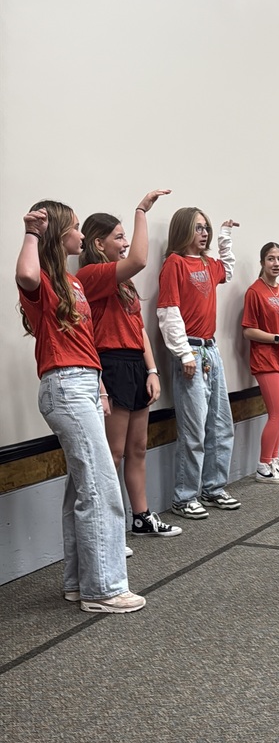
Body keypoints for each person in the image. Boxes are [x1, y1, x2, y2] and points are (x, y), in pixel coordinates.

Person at [16, 201, 146, 611]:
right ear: (58, 235)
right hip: (65, 385)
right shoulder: (42, 280)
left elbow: (85, 342)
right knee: (100, 486)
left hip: (86, 383)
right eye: (73, 228)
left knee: (82, 487)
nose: (79, 234)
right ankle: (103, 589)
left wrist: (102, 389)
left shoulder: (73, 282)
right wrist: (32, 232)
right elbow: (24, 273)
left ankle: (77, 582)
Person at [79, 190, 182, 541]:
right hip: (110, 365)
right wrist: (140, 211)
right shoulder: (92, 275)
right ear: (98, 243)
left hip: (135, 365)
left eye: (126, 235)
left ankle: (141, 517)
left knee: (138, 449)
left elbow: (138, 329)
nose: (125, 243)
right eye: (118, 237)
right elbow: (139, 258)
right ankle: (109, 530)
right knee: (114, 453)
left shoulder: (124, 285)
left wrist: (152, 370)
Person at [157, 207, 241, 519]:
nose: (203, 233)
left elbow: (227, 270)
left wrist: (225, 237)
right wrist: (184, 353)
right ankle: (184, 496)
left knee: (220, 423)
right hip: (190, 352)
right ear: (183, 231)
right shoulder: (174, 264)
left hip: (211, 351)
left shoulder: (207, 263)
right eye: (198, 228)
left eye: (205, 228)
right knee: (194, 430)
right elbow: (168, 311)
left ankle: (214, 488)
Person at [242, 242, 279, 484]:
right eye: (271, 259)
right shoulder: (255, 292)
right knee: (277, 414)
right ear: (262, 263)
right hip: (265, 360)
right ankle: (262, 465)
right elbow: (248, 331)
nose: (276, 263)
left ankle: (273, 461)